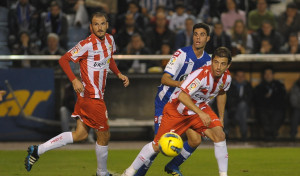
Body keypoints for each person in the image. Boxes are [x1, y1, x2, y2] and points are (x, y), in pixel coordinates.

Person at [24, 12, 129, 176]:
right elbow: (63, 60)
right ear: (91, 27)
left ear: (107, 25)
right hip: (90, 97)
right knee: (104, 134)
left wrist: (119, 73)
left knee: (80, 134)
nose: (99, 27)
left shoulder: (110, 40)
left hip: (93, 96)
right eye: (96, 24)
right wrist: (74, 80)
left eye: (102, 24)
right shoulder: (86, 44)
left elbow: (109, 59)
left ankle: (38, 150)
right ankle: (102, 173)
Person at [122, 47, 232, 176]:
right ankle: (129, 172)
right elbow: (182, 96)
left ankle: (223, 174)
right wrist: (201, 113)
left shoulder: (227, 78)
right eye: (216, 62)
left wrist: (221, 117)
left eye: (223, 63)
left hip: (199, 108)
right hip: (178, 109)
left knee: (220, 135)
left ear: (228, 65)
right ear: (212, 61)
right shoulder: (201, 75)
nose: (218, 67)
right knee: (157, 146)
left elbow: (222, 92)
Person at [132, 22, 211, 176]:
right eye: (195, 34)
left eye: (202, 35)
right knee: (158, 145)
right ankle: (136, 174)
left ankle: (173, 166)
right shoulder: (181, 54)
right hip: (166, 102)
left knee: (195, 140)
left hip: (184, 106)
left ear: (207, 38)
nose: (198, 38)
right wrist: (182, 84)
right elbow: (164, 79)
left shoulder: (208, 61)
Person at [254, 66, 286, 141]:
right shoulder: (259, 87)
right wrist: (266, 98)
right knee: (262, 113)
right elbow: (257, 100)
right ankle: (268, 135)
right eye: (266, 74)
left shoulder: (279, 86)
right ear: (263, 75)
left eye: (270, 73)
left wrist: (270, 97)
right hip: (264, 109)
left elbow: (282, 99)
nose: (268, 75)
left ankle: (273, 134)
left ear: (273, 75)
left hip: (277, 109)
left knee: (278, 113)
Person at [225, 70, 253, 141]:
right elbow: (228, 100)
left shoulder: (248, 86)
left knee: (242, 106)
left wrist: (239, 102)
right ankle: (225, 135)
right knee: (223, 113)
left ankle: (244, 135)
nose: (240, 78)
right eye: (238, 76)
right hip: (231, 110)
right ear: (235, 77)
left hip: (244, 112)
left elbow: (249, 100)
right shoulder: (230, 86)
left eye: (242, 76)